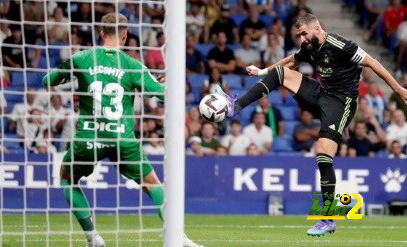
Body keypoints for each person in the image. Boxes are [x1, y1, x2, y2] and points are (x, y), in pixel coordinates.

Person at [214, 13, 407, 237]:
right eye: (298, 35)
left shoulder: (340, 45)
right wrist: (262, 71)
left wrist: (398, 89)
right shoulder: (309, 47)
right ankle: (234, 107)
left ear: (317, 28)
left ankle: (327, 218)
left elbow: (372, 63)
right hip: (321, 94)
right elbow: (291, 60)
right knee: (281, 73)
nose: (301, 39)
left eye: (304, 33)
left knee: (322, 154)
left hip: (341, 103)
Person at [42, 13, 202, 247]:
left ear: (100, 33)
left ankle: (93, 237)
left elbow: (48, 80)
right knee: (153, 184)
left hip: (89, 136)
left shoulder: (83, 58)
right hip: (122, 139)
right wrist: (167, 82)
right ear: (125, 35)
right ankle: (180, 239)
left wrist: (69, 71)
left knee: (67, 178)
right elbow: (162, 94)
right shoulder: (133, 65)